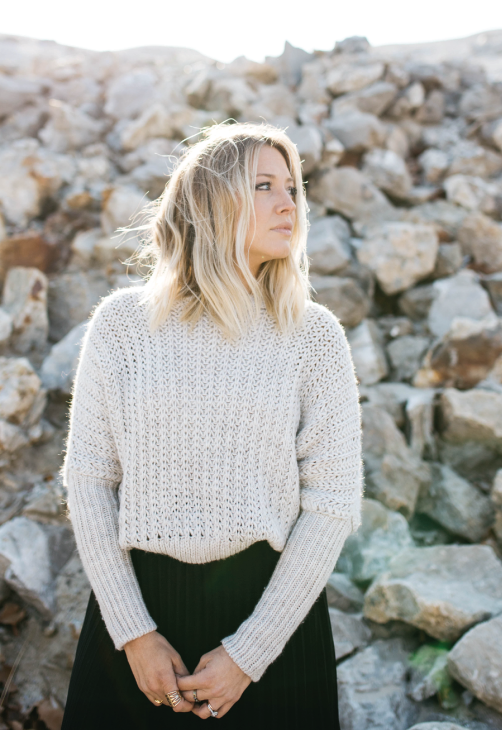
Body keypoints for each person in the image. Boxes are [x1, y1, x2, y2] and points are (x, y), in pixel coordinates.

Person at [59, 120, 363, 729]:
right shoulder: (121, 327)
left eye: (293, 188)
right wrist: (134, 633)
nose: (289, 204)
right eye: (264, 186)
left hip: (272, 619)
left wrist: (250, 653)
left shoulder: (314, 336)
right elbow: (89, 480)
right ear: (209, 200)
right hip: (139, 614)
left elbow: (332, 503)